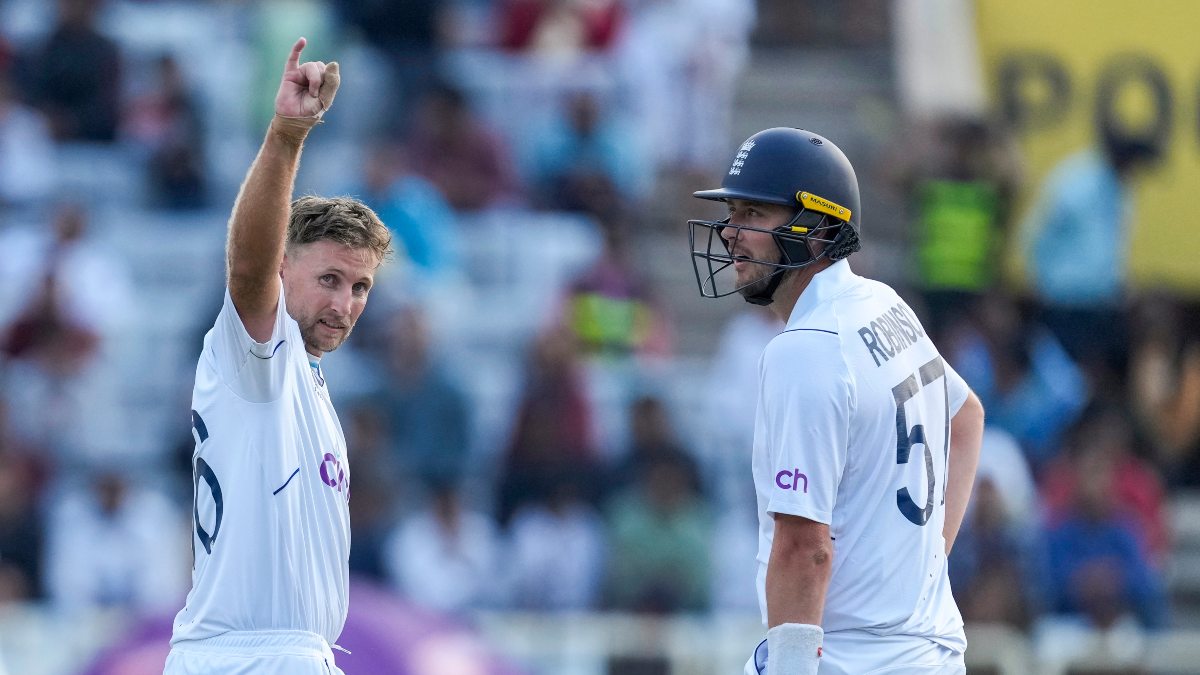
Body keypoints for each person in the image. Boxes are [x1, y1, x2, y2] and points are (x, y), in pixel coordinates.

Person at [687, 127, 985, 675]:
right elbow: (965, 417)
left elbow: (805, 550)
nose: (730, 232)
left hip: (852, 660)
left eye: (754, 214)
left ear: (817, 232)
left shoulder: (806, 351)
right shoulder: (881, 302)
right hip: (930, 652)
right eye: (732, 212)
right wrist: (926, 563)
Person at [165, 39, 393, 675]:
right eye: (329, 279)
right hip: (259, 659)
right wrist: (288, 136)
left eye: (360, 287)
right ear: (285, 266)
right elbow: (247, 267)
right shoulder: (260, 354)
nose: (345, 304)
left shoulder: (303, 382)